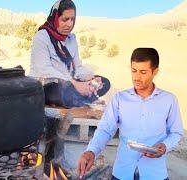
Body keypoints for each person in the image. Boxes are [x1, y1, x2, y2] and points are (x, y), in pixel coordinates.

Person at [77, 48, 184, 180]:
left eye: (143, 72)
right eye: (134, 71)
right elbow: (105, 129)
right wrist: (91, 151)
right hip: (122, 173)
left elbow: (176, 132)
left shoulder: (169, 100)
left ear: (155, 71)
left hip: (155, 174)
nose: (137, 77)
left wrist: (165, 146)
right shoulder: (119, 99)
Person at [29, 0, 110, 108]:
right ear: (55, 18)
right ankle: (86, 98)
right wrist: (75, 84)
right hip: (48, 84)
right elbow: (44, 70)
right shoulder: (42, 36)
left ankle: (82, 96)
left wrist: (89, 78)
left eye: (72, 19)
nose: (69, 24)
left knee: (104, 83)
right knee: (61, 91)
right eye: (65, 19)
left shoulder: (72, 39)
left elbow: (77, 67)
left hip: (69, 83)